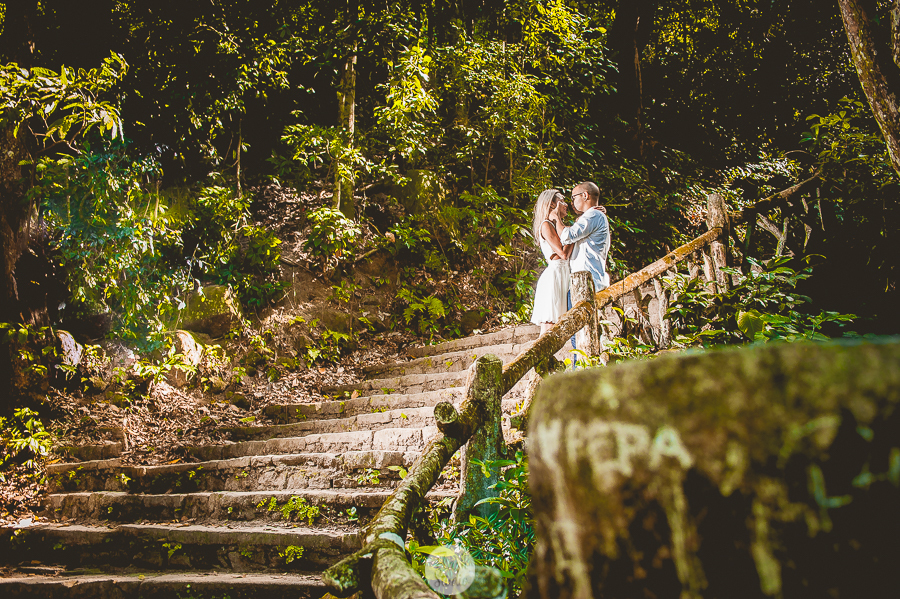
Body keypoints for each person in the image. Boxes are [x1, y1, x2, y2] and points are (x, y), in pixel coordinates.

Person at [530, 189, 573, 334]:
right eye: (562, 201)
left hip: (564, 275)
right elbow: (562, 254)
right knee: (549, 328)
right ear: (551, 204)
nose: (566, 204)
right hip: (555, 277)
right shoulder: (546, 225)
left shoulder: (558, 226)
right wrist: (574, 236)